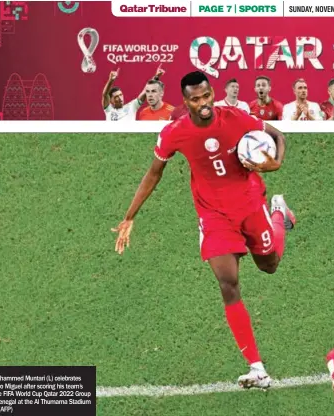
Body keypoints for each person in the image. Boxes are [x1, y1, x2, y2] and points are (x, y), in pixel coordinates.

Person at [112, 71, 296, 389]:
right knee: (228, 283)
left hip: (251, 204)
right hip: (214, 216)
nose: (204, 104)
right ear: (186, 102)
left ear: (212, 93)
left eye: (207, 96)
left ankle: (278, 212)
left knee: (269, 265)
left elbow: (278, 135)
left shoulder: (237, 117)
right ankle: (257, 367)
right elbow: (154, 173)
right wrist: (130, 216)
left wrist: (276, 163)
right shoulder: (175, 132)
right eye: (196, 99)